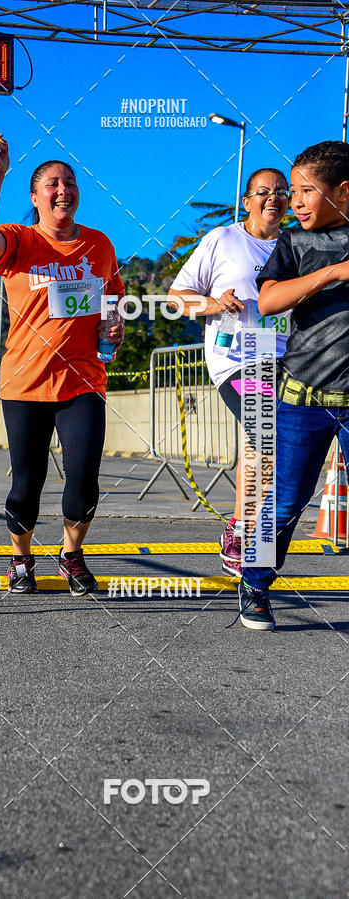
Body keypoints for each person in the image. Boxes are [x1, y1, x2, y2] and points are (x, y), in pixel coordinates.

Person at [0, 134, 125, 595]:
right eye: (52, 183)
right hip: (25, 383)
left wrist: (114, 328)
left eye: (70, 182)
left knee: (84, 480)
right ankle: (21, 557)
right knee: (27, 484)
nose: (63, 190)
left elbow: (113, 297)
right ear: (35, 198)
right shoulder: (19, 241)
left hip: (84, 381)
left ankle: (71, 554)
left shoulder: (99, 244)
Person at [237, 140, 349, 630]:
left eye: (306, 191)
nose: (294, 201)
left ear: (343, 192)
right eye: (292, 191)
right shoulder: (294, 244)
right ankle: (255, 586)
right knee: (284, 500)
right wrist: (334, 273)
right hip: (301, 398)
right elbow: (267, 302)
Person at [168, 168, 290, 576]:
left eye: (281, 192)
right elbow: (176, 298)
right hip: (237, 358)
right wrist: (215, 303)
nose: (272, 199)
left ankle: (247, 525)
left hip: (287, 358)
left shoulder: (296, 246)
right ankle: (243, 530)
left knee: (266, 441)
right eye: (262, 192)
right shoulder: (223, 239)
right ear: (246, 200)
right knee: (263, 426)